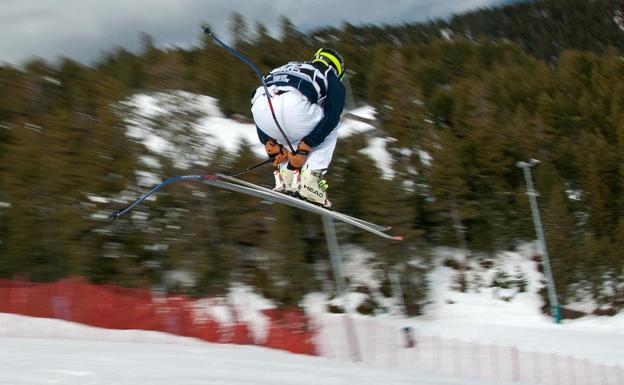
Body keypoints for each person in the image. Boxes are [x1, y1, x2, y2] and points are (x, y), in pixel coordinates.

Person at [251, 48, 346, 208]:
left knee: (293, 128)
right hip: (293, 108)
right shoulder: (329, 74)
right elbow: (332, 115)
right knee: (329, 123)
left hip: (260, 109)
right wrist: (307, 145)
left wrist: (268, 141)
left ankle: (287, 177)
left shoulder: (290, 66)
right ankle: (311, 180)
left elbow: (259, 95)